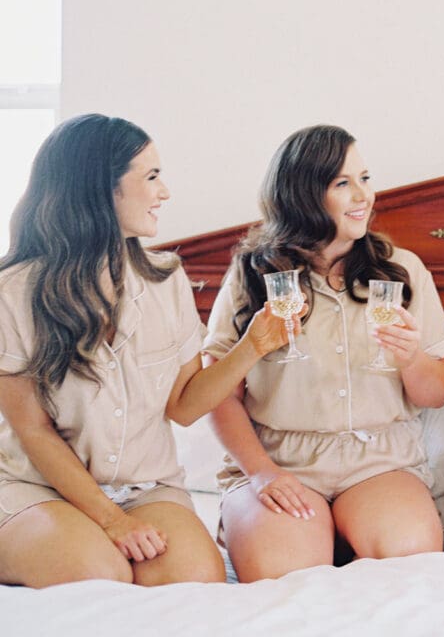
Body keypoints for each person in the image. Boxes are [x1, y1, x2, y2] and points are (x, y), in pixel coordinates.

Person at [0, 114, 294, 588]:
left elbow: (183, 406)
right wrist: (112, 523)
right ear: (101, 187)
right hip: (38, 488)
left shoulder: (166, 278)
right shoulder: (12, 291)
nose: (165, 192)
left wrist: (254, 345)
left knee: (197, 581)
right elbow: (33, 430)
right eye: (151, 176)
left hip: (146, 489)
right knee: (96, 575)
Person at [204, 124, 444, 582]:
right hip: (279, 460)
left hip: (379, 464)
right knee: (285, 575)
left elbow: (436, 393)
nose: (364, 196)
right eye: (343, 183)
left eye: (365, 178)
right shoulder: (252, 274)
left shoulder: (403, 271)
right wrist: (261, 474)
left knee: (410, 563)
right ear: (302, 194)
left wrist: (411, 359)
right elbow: (218, 392)